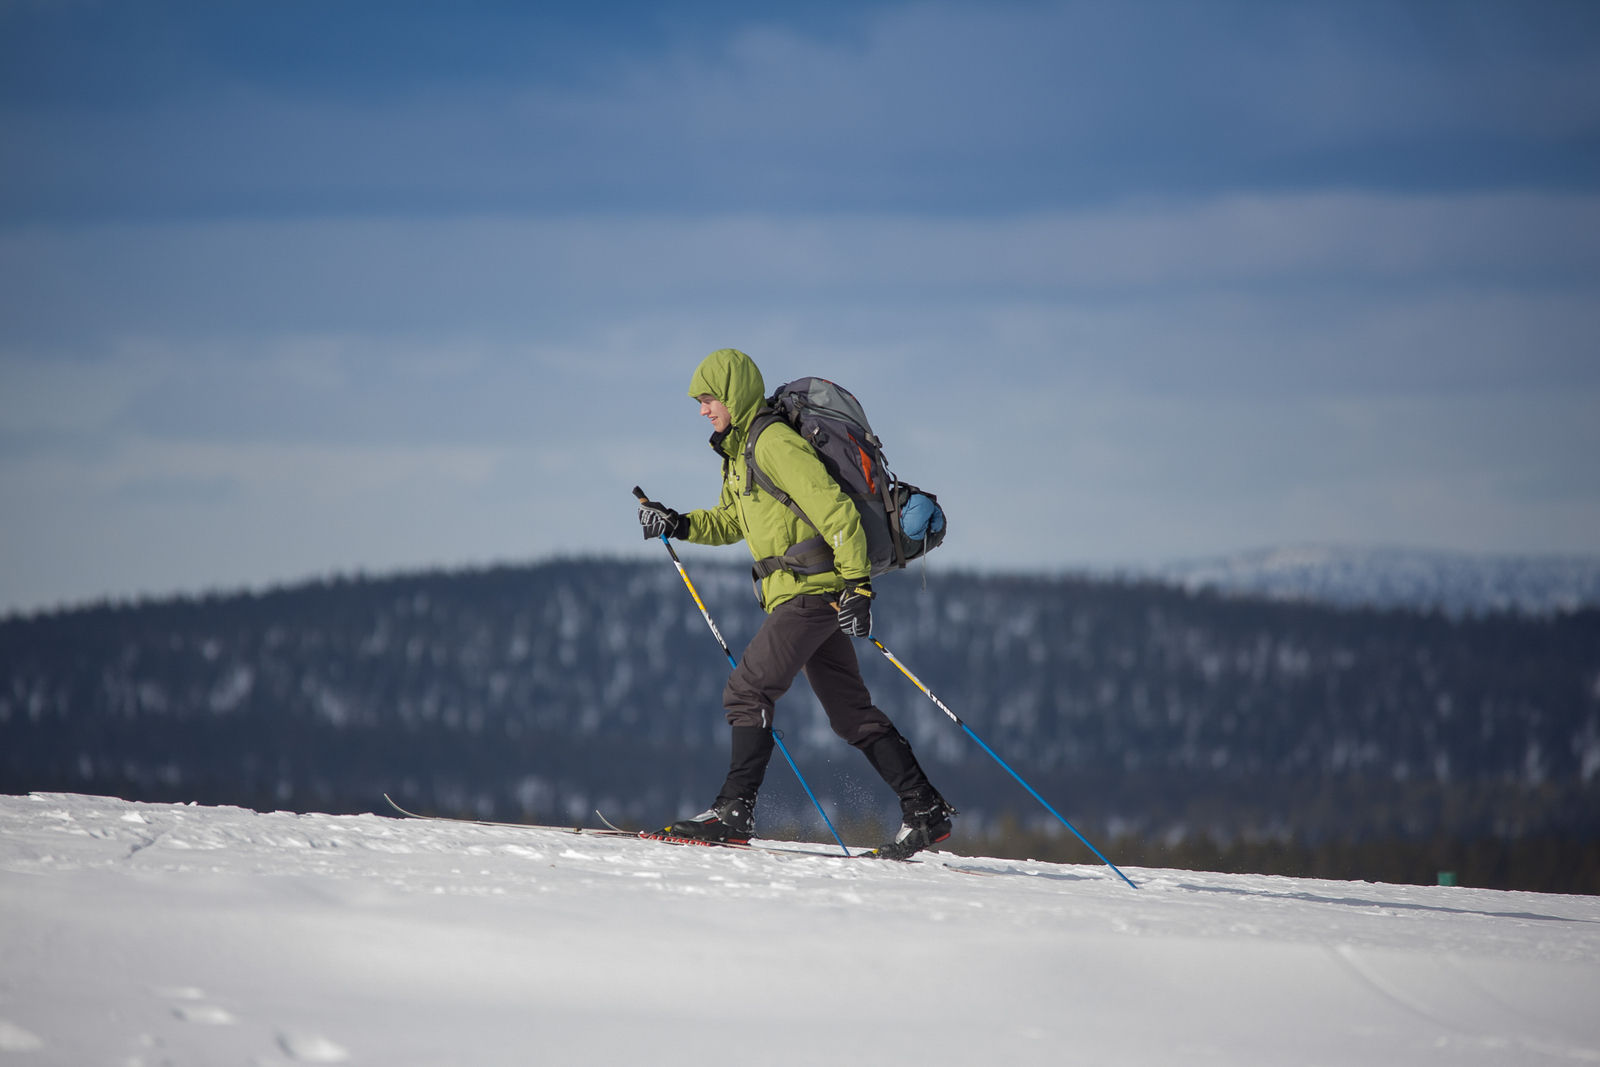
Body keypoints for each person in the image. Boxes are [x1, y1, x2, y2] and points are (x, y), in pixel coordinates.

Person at [636, 347, 955, 860]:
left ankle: (733, 811)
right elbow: (733, 522)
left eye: (707, 398)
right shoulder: (740, 453)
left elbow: (836, 513)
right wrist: (676, 522)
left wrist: (859, 586)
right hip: (807, 593)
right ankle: (924, 807)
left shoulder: (774, 443)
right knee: (851, 713)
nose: (702, 410)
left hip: (811, 591)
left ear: (733, 393)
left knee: (747, 689)